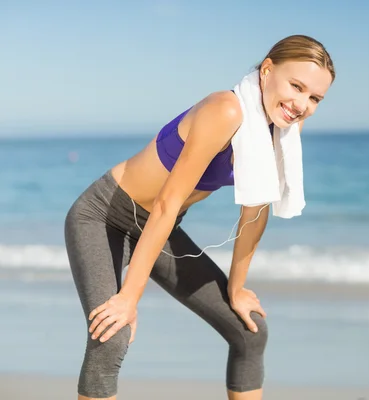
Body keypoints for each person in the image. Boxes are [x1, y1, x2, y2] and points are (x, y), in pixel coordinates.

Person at [64, 34, 335, 400]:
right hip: (103, 217)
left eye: (314, 98)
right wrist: (130, 297)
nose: (301, 104)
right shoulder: (225, 111)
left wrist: (236, 290)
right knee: (112, 335)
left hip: (158, 229)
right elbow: (166, 203)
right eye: (296, 86)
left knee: (249, 329)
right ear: (268, 70)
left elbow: (254, 213)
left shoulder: (281, 128)